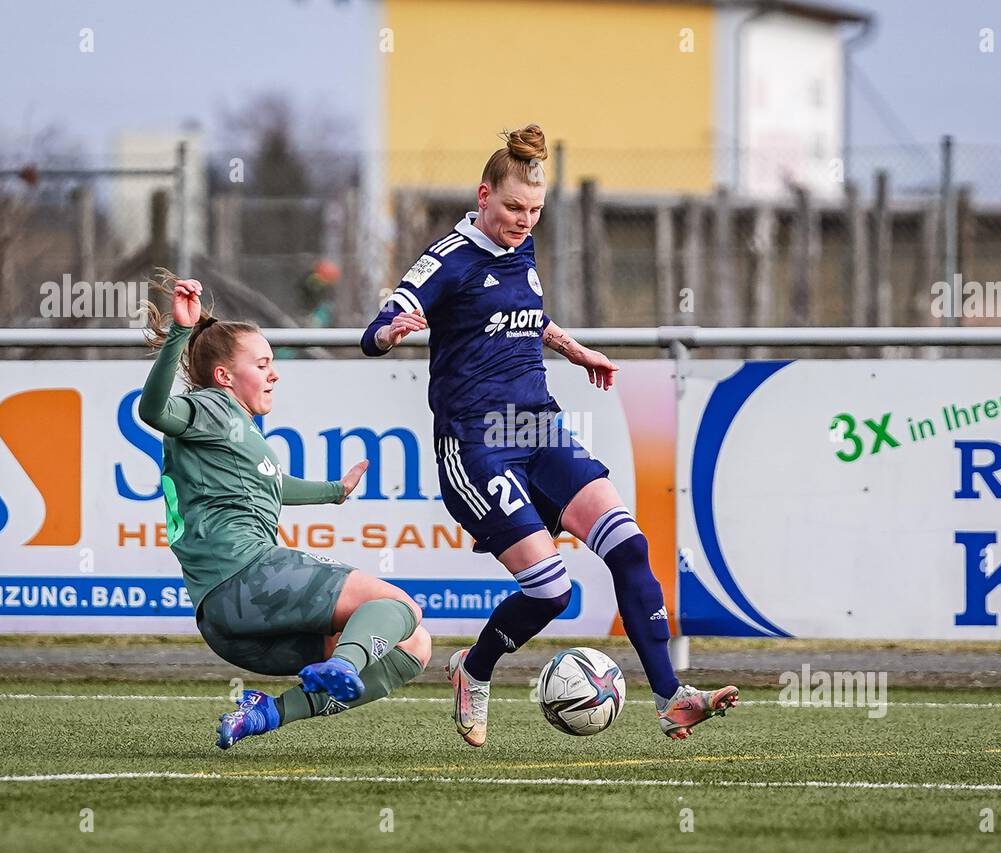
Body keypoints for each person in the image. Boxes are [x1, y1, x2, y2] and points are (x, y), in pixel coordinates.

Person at [361, 125, 738, 746]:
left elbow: (522, 315)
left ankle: (672, 697)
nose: (523, 221)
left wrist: (573, 347)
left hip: (538, 426)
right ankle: (473, 669)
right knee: (552, 590)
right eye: (512, 207)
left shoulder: (521, 246)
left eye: (534, 211)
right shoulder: (449, 258)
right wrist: (390, 331)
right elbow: (376, 326)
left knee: (630, 546)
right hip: (475, 442)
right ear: (483, 195)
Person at [139, 272, 431, 750]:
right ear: (224, 377)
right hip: (247, 576)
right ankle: (341, 666)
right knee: (400, 607)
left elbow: (274, 485)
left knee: (412, 647)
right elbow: (153, 412)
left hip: (229, 624)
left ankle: (267, 713)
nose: (274, 373)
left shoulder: (237, 429)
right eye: (263, 363)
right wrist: (177, 333)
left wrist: (334, 490)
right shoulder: (212, 406)